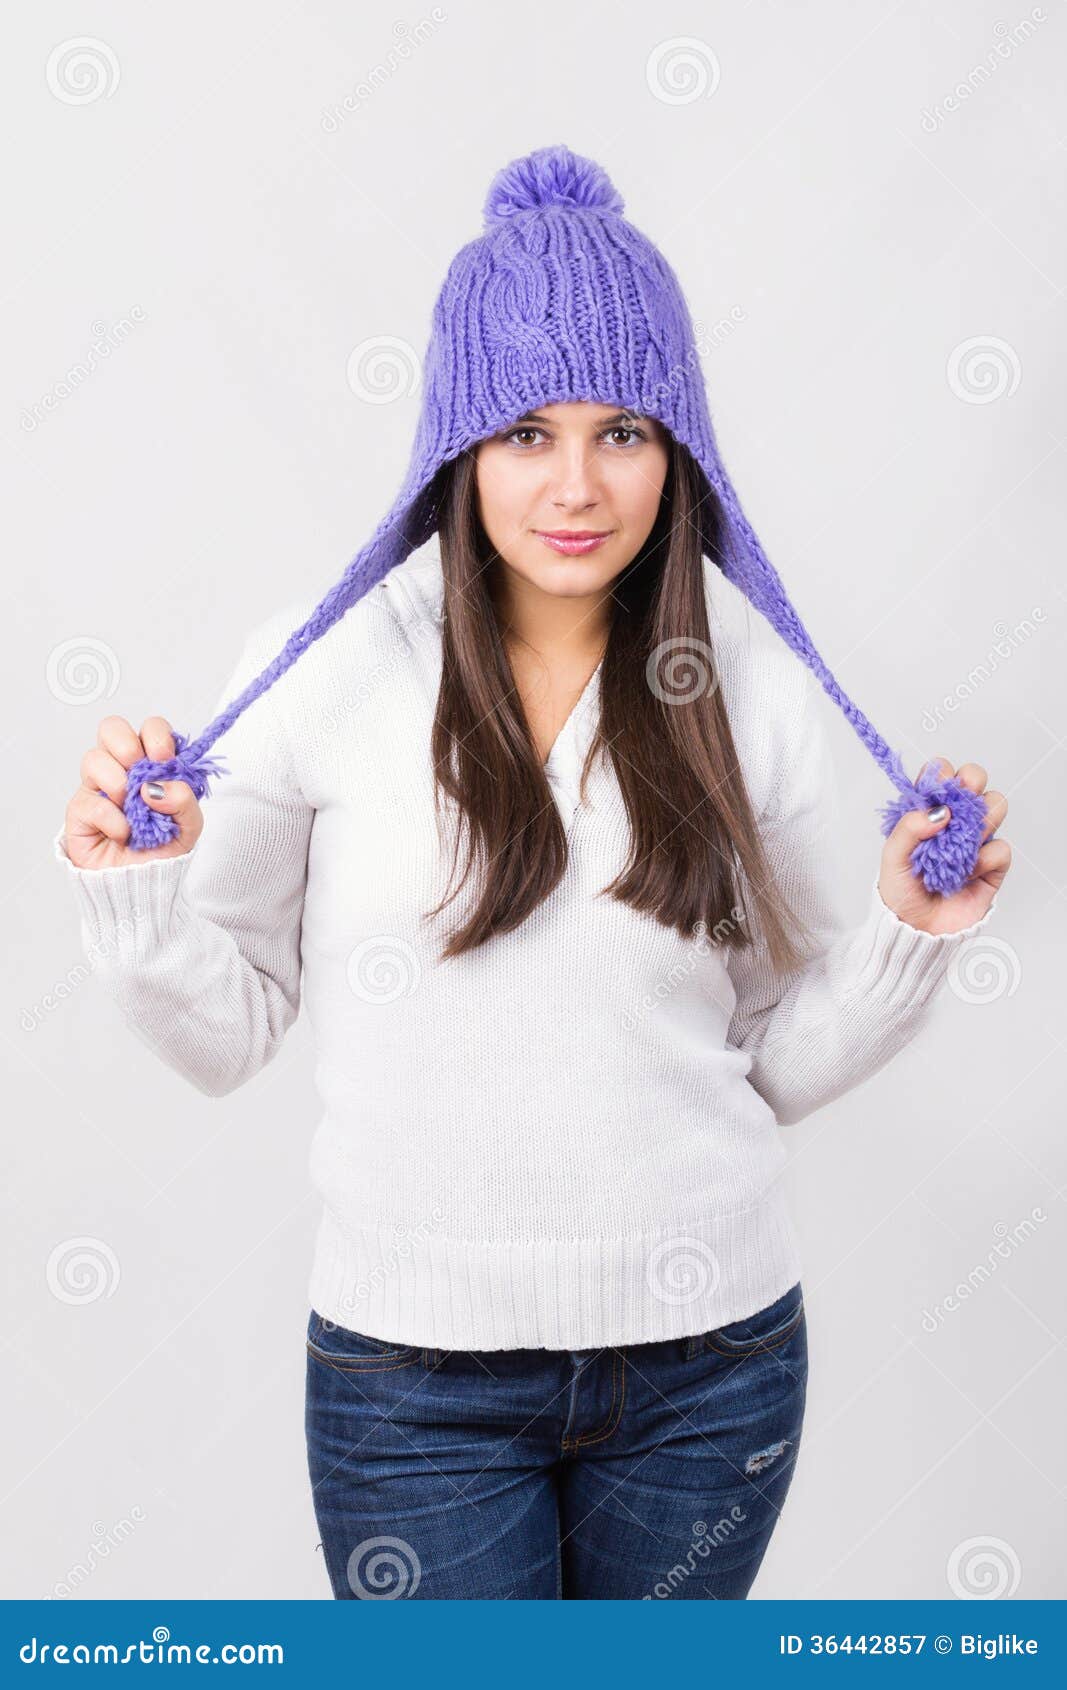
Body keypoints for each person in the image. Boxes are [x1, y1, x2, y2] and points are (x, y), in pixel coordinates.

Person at [53, 149, 1010, 1600]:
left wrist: (908, 936)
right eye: (524, 432)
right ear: (457, 446)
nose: (577, 485)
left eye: (624, 429)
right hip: (411, 1394)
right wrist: (132, 897)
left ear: (680, 443)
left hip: (716, 1373)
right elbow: (224, 1036)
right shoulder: (332, 670)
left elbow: (766, 1064)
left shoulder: (738, 681)